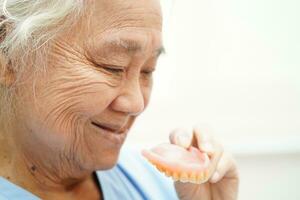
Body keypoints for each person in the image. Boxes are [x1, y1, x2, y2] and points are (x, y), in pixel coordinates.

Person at [0, 0, 239, 199]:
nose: (136, 104)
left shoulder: (161, 183)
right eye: (111, 67)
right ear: (8, 55)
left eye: (148, 71)